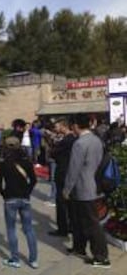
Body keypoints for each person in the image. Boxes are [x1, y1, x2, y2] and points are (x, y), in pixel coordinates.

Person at [63, 114, 110, 269]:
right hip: (96, 185)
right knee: (80, 220)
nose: (71, 129)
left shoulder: (80, 143)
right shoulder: (97, 140)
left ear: (76, 125)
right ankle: (79, 247)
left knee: (91, 224)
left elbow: (73, 169)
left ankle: (101, 257)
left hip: (84, 188)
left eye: (72, 125)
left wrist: (66, 189)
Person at [0, 137, 38, 269]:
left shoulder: (3, 164)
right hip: (25, 198)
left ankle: (15, 259)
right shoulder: (27, 162)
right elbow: (34, 180)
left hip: (10, 198)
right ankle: (33, 260)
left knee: (11, 229)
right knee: (29, 229)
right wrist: (28, 192)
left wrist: (4, 195)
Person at [49, 118, 76, 237]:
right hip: (70, 172)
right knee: (69, 202)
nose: (55, 128)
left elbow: (53, 153)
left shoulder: (67, 140)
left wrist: (53, 145)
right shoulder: (73, 139)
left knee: (61, 201)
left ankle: (63, 228)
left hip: (62, 172)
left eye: (57, 126)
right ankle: (71, 226)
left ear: (63, 126)